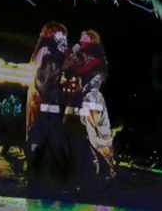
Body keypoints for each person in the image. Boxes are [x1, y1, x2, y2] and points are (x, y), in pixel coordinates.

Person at [24, 21, 76, 193]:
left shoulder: (53, 51)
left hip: (48, 96)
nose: (63, 38)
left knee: (47, 135)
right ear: (52, 34)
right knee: (43, 135)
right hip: (43, 97)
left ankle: (44, 175)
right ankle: (41, 174)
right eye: (59, 34)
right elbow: (44, 75)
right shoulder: (46, 50)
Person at [62, 29, 115, 188]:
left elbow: (83, 72)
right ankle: (79, 174)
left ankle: (101, 172)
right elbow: (67, 69)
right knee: (74, 135)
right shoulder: (80, 56)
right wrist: (71, 54)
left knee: (91, 137)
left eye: (84, 38)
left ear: (91, 40)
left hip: (90, 101)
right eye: (80, 37)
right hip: (77, 101)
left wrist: (75, 58)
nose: (80, 40)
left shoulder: (98, 59)